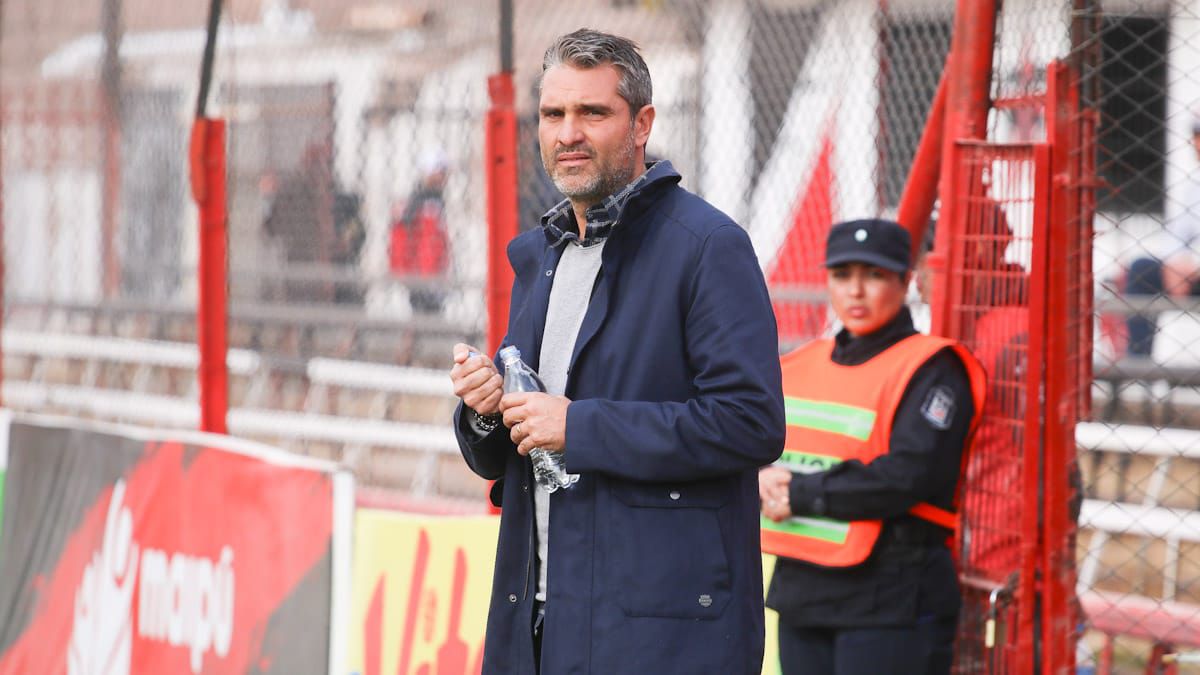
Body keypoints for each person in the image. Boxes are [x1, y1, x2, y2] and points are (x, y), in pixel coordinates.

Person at [449, 29, 785, 675]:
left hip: (658, 636)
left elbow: (750, 422)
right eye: (553, 114)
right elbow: (517, 446)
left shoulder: (707, 246)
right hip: (538, 622)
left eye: (592, 112)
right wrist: (487, 411)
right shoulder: (540, 257)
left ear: (642, 123)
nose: (568, 132)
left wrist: (578, 425)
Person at [759, 218, 987, 675]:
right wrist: (757, 479)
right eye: (842, 275)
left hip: (893, 595)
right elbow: (759, 450)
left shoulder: (933, 368)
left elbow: (910, 474)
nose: (856, 292)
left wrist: (798, 494)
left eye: (875, 275)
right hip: (805, 588)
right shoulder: (802, 364)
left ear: (906, 281)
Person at [1125, 119, 1200, 356]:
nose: (1195, 142)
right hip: (1185, 273)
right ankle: (1138, 368)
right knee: (1141, 270)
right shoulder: (1193, 186)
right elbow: (1175, 235)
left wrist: (1194, 264)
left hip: (1194, 270)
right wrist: (1174, 264)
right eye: (1195, 134)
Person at [390, 148, 451, 312]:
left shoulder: (434, 201)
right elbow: (403, 239)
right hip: (423, 274)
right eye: (441, 172)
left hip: (432, 273)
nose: (444, 178)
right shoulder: (420, 204)